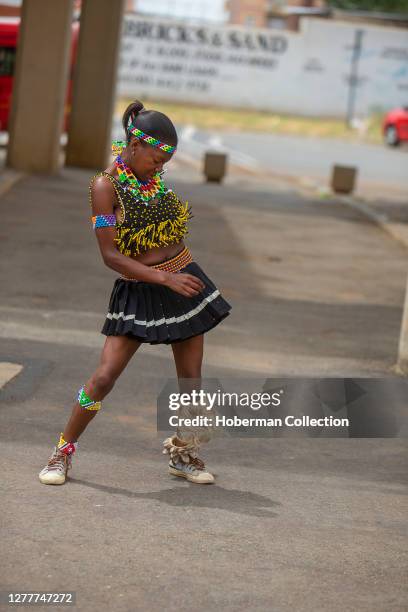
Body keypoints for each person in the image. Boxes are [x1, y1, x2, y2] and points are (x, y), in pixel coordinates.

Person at [38, 100, 231, 486]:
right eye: (157, 158)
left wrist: (178, 276)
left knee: (190, 380)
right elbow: (110, 256)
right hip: (142, 287)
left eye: (166, 161)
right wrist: (164, 280)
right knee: (105, 377)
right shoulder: (104, 186)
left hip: (184, 279)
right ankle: (62, 451)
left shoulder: (152, 180)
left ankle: (184, 453)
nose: (161, 166)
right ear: (134, 144)